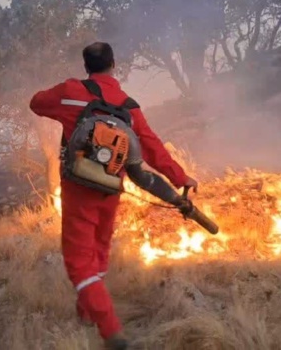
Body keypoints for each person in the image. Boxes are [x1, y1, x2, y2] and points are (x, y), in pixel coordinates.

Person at [29, 42, 198, 349]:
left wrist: (63, 106)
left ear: (86, 66)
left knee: (79, 263)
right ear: (114, 64)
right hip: (110, 190)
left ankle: (112, 334)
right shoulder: (128, 106)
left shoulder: (70, 91)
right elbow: (152, 148)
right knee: (100, 251)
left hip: (78, 189)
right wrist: (181, 177)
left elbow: (36, 103)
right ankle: (86, 312)